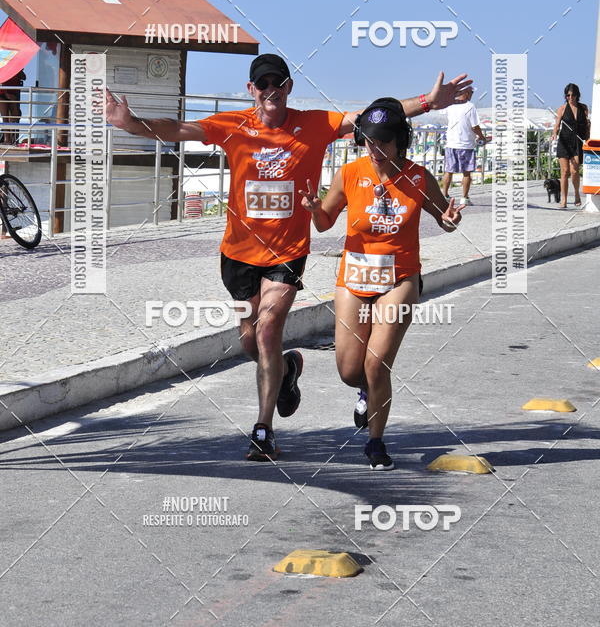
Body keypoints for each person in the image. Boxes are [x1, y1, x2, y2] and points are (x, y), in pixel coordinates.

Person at [105, 54, 471, 462]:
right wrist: (132, 124)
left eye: (277, 83)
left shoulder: (313, 124)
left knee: (266, 333)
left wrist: (428, 102)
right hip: (238, 254)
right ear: (251, 91)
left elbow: (373, 117)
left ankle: (263, 431)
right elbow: (178, 128)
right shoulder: (234, 124)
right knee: (250, 341)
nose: (270, 91)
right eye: (262, 85)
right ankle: (286, 371)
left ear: (289, 87)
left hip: (287, 254)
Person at [299, 98, 464, 470]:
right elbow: (325, 222)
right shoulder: (350, 173)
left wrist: (451, 218)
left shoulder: (419, 177)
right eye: (369, 141)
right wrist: (314, 209)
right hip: (354, 276)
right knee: (349, 370)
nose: (375, 148)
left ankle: (376, 442)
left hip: (399, 278)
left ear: (400, 141)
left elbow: (445, 219)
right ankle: (365, 393)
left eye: (384, 141)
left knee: (376, 365)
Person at [441, 86, 489, 205]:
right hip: (466, 145)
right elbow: (475, 126)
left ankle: (444, 196)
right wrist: (482, 137)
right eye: (471, 92)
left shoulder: (450, 105)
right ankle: (464, 198)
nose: (472, 94)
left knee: (448, 171)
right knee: (466, 173)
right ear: (466, 93)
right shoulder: (470, 106)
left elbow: (442, 113)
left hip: (451, 143)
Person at [551, 83, 590, 208]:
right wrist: (554, 134)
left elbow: (586, 125)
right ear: (566, 95)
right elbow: (557, 125)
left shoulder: (583, 108)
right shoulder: (562, 109)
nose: (570, 97)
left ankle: (577, 195)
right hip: (564, 142)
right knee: (565, 172)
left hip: (577, 142)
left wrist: (588, 138)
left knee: (574, 171)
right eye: (568, 95)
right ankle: (564, 199)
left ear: (577, 95)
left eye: (573, 95)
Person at [0, 68, 25, 144]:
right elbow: (23, 77)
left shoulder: (11, 67)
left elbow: (23, 77)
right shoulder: (12, 66)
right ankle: (8, 140)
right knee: (9, 117)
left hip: (9, 92)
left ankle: (10, 139)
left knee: (12, 117)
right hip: (6, 92)